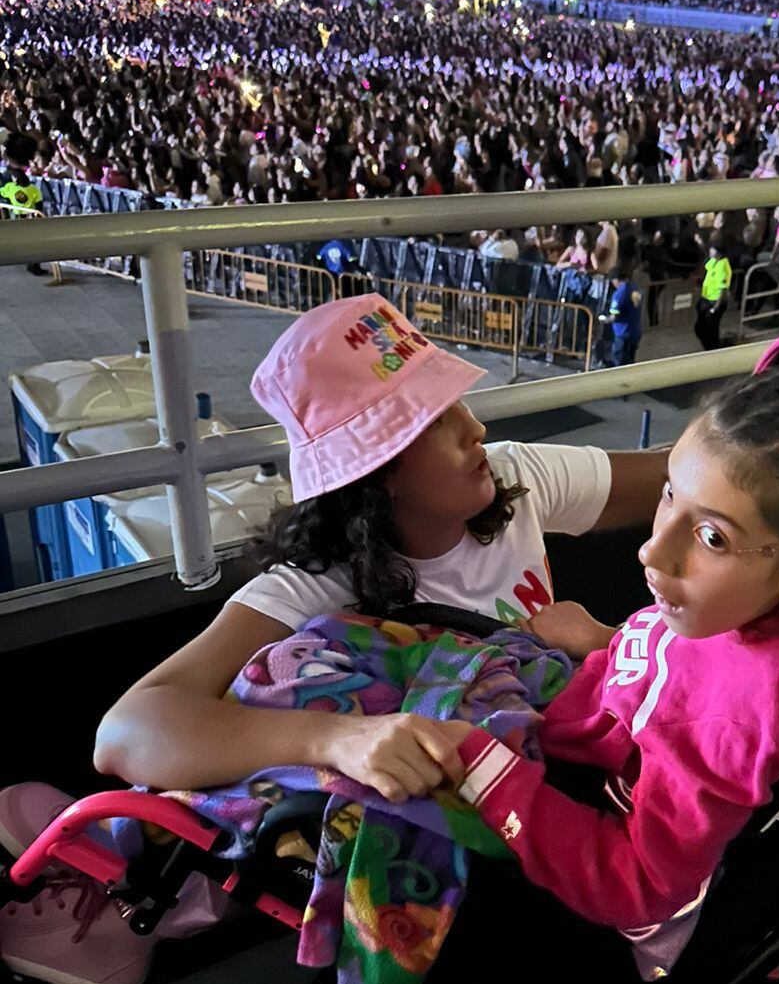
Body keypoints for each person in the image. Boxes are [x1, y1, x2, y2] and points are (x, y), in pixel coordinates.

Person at [366, 317, 779, 984]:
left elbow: (640, 884)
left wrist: (486, 770)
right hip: (599, 713)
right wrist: (610, 641)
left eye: (712, 538)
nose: (651, 548)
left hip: (585, 845)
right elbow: (683, 671)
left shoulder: (731, 714)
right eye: (670, 495)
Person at [94, 294, 669, 794]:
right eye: (437, 420)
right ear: (376, 470)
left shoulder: (514, 476)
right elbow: (126, 730)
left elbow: (684, 477)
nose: (476, 429)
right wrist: (338, 739)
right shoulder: (320, 585)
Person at [694, 238, 732, 351]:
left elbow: (723, 291)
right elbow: (706, 265)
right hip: (706, 299)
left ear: (718, 252)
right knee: (700, 327)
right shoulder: (714, 261)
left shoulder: (723, 268)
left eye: (713, 250)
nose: (711, 251)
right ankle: (709, 347)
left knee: (712, 329)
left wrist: (715, 309)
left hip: (715, 303)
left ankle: (712, 349)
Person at [603, 262, 642, 367]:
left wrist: (605, 320)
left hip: (622, 332)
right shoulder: (634, 287)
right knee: (630, 360)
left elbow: (614, 316)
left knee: (619, 362)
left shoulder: (619, 294)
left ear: (615, 280)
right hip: (635, 330)